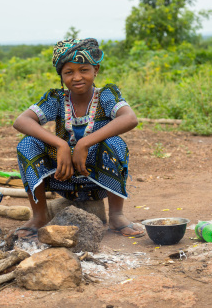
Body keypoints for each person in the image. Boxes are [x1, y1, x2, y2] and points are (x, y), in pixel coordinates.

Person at [13, 38, 145, 239]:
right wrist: (60, 144)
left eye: (84, 70)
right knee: (27, 144)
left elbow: (130, 118)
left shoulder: (106, 96)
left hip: (98, 181)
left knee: (115, 143)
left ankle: (116, 216)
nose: (77, 77)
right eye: (69, 72)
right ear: (61, 75)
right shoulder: (56, 99)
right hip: (62, 177)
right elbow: (22, 120)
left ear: (96, 70)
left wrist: (85, 142)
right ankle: (39, 216)